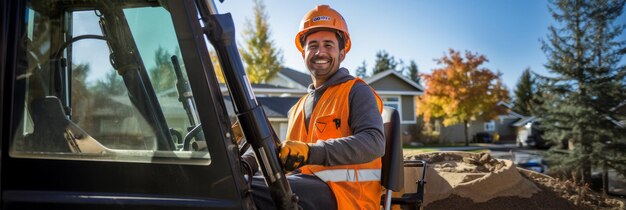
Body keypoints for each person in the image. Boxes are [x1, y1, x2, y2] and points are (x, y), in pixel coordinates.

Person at [239, 5, 385, 209]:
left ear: (342, 53)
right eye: (313, 45)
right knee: (236, 183)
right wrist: (245, 164)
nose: (320, 52)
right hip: (303, 191)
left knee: (246, 191)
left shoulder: (357, 91)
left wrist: (310, 152)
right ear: (303, 53)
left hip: (348, 198)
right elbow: (281, 152)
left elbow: (374, 142)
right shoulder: (297, 107)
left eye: (328, 45)